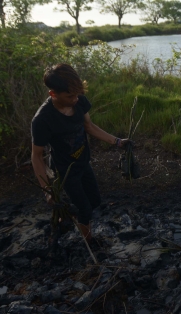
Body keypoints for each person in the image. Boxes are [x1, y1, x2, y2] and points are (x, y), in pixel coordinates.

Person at [31, 63, 127, 242]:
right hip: (64, 171)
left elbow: (88, 126)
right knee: (85, 209)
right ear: (53, 94)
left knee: (95, 201)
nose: (75, 99)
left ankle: (69, 216)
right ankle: (89, 241)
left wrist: (118, 141)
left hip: (83, 162)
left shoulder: (79, 100)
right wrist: (47, 190)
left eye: (77, 94)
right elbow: (36, 156)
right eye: (70, 96)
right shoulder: (43, 120)